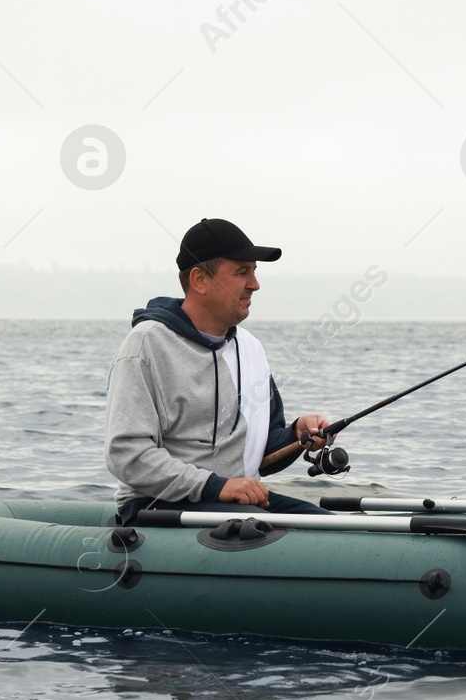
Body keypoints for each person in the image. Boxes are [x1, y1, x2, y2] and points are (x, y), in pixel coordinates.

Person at [106, 218, 333, 524]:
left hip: (240, 505)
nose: (255, 284)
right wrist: (218, 487)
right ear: (199, 280)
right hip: (157, 507)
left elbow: (261, 453)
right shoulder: (145, 346)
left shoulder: (251, 348)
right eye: (242, 272)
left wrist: (296, 433)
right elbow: (127, 455)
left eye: (254, 271)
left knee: (336, 528)